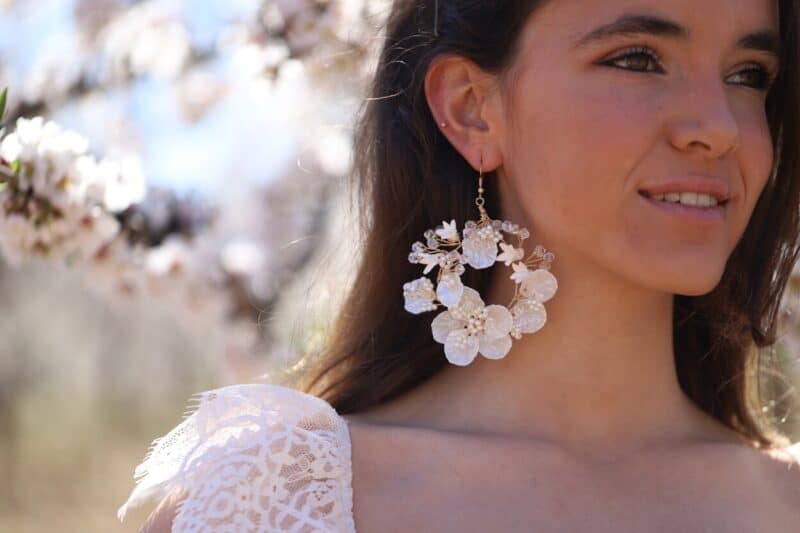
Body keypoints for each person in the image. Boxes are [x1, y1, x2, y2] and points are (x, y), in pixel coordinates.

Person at [118, 0, 800, 531]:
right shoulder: (270, 503)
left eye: (748, 76)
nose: (719, 126)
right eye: (638, 58)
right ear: (473, 110)